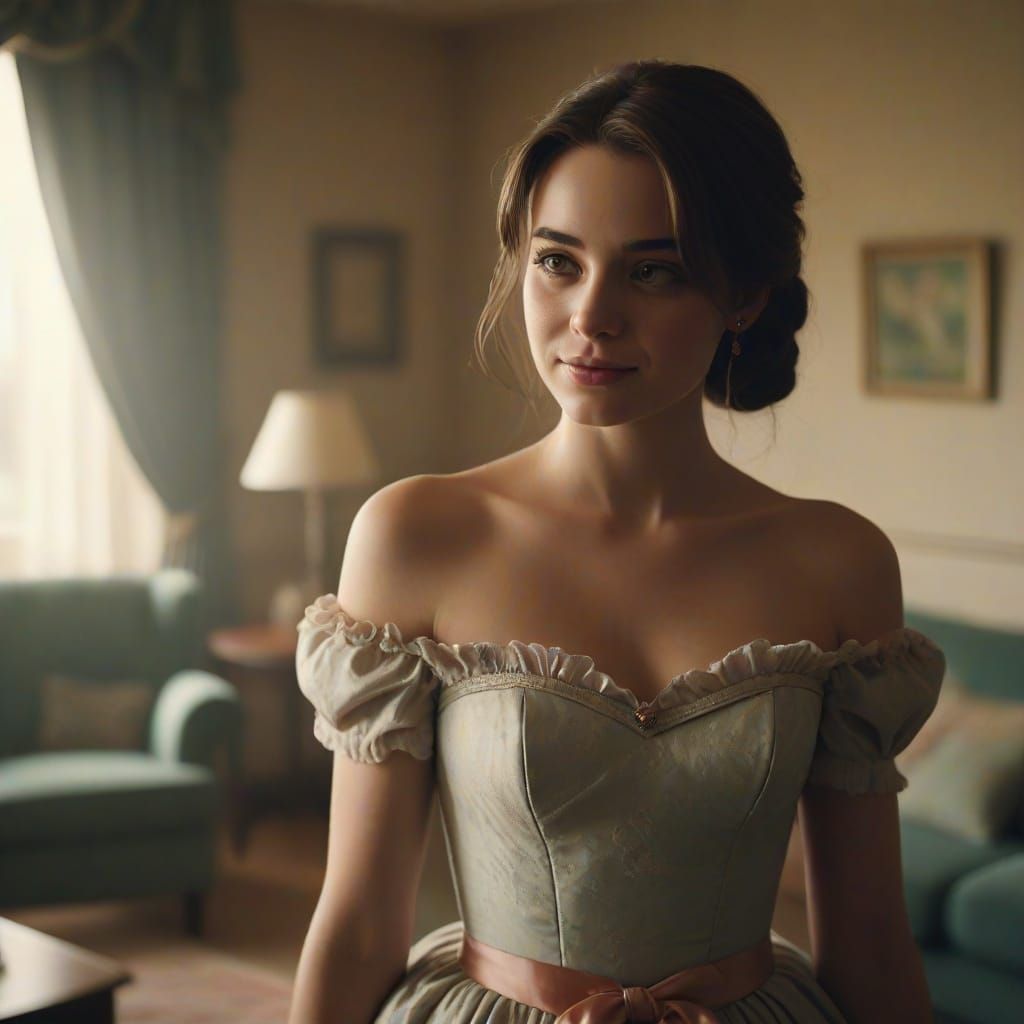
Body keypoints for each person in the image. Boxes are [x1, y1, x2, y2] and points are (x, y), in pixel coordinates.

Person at [287, 60, 946, 1024]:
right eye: (558, 260)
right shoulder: (416, 535)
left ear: (746, 295)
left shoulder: (836, 562)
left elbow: (875, 944)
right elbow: (354, 924)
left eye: (655, 270)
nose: (591, 317)